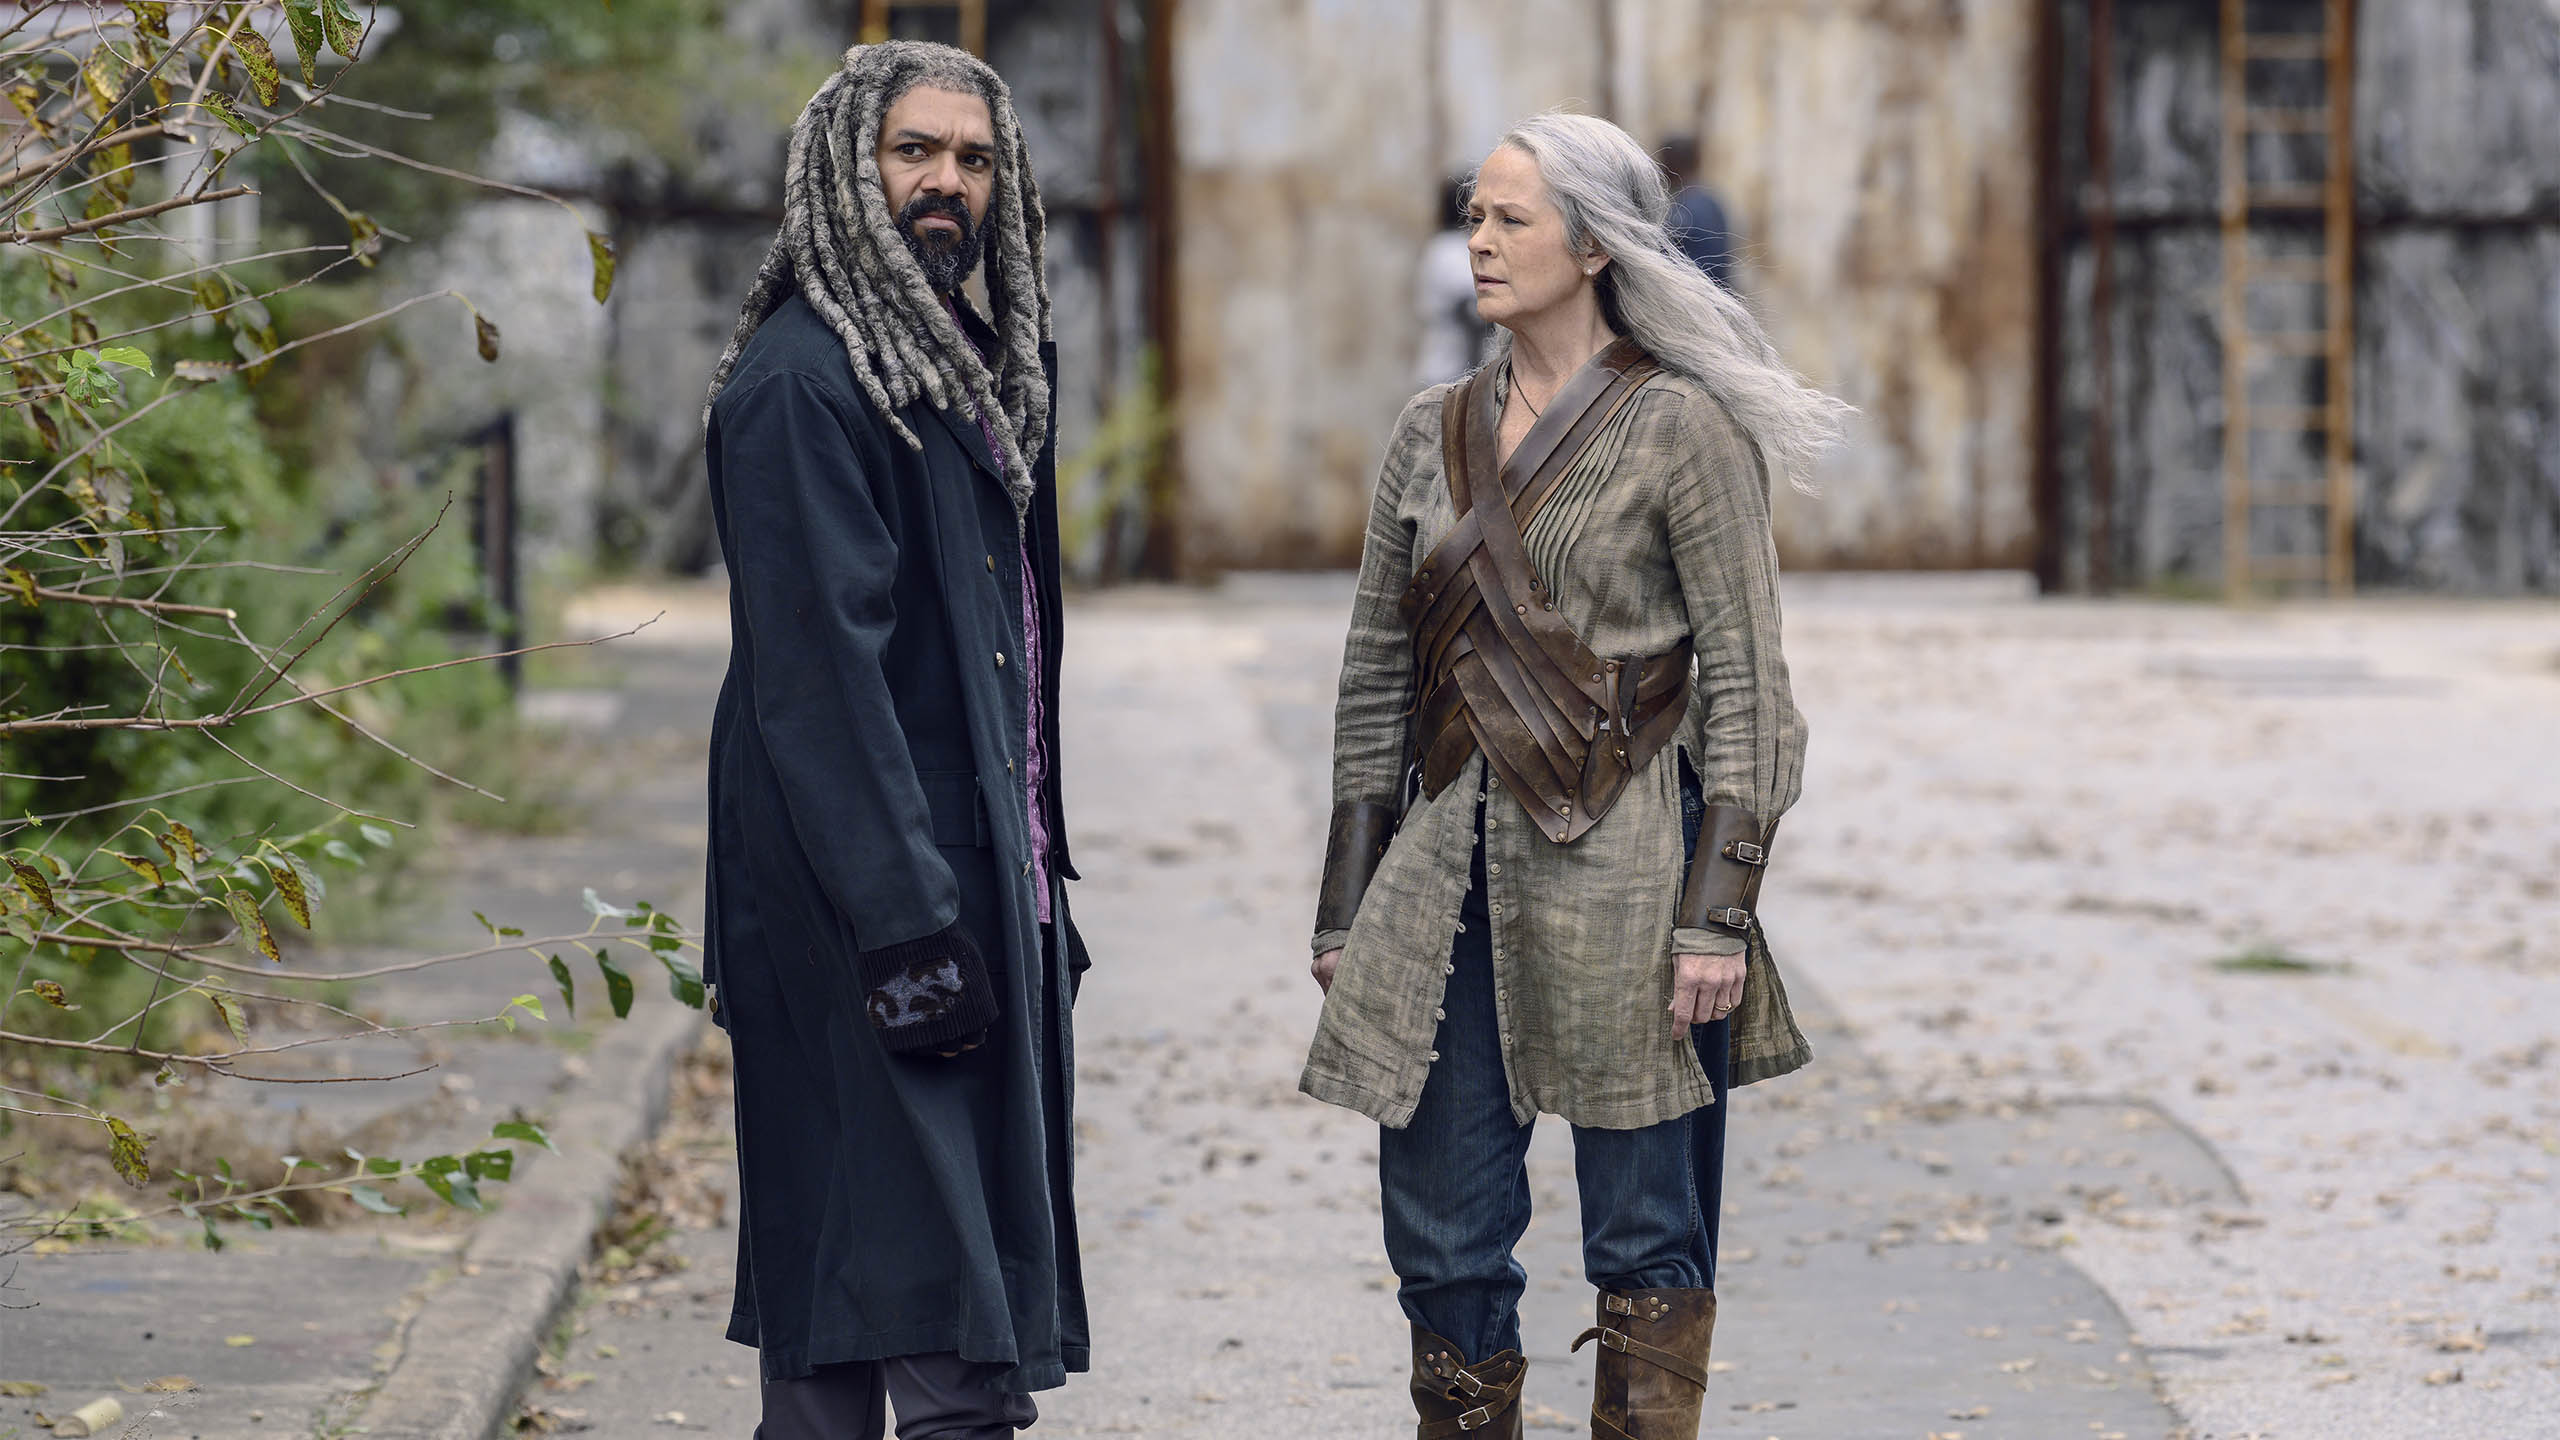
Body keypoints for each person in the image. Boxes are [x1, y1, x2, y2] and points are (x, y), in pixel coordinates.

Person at [1302, 111, 1847, 1440]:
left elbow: (1749, 686)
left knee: (1647, 1237)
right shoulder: (1430, 430)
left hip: (1633, 870)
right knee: (1440, 1235)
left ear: (1595, 246)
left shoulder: (1682, 429)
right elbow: (1376, 674)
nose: (1480, 243)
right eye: (1474, 218)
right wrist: (1346, 900)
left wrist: (1717, 915)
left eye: (1512, 219)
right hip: (1443, 879)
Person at [698, 40, 1090, 1440]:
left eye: (974, 159)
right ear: (843, 167)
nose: (947, 182)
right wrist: (913, 934)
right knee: (933, 1315)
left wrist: (1033, 882)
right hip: (868, 903)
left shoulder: (959, 371)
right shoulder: (806, 385)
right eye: (913, 150)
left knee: (855, 1301)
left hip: (960, 878)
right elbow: (820, 689)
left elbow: (1000, 663)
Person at [1416, 173, 1494, 388]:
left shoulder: (1440, 246)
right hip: (1449, 368)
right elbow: (1469, 303)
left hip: (1447, 364)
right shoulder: (1449, 249)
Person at [1659, 134, 1737, 291]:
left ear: (1671, 164)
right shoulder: (1712, 202)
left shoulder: (1684, 210)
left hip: (1696, 294)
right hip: (1717, 294)